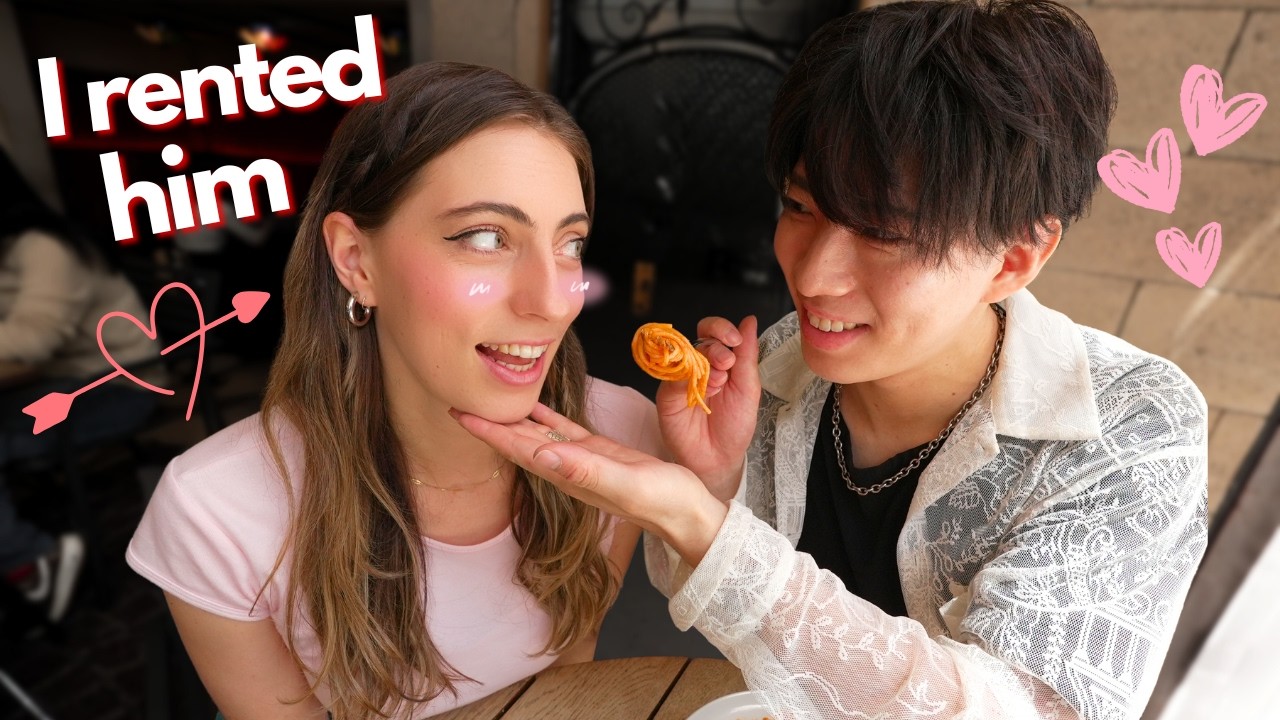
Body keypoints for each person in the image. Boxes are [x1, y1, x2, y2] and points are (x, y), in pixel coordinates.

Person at [452, 2, 1208, 719]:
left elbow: (1008, 709)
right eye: (800, 207)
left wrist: (702, 522)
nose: (812, 276)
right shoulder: (783, 370)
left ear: (1015, 257)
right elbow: (723, 611)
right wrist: (711, 481)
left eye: (883, 234)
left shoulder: (1131, 429)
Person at [126, 62, 664, 719]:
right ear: (357, 260)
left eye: (570, 243)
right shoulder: (218, 510)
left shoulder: (618, 432)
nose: (553, 302)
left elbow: (563, 691)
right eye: (486, 238)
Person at [0, 147, 159, 624]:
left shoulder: (43, 247)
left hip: (118, 383)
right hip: (57, 379)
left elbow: (34, 339)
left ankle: (31, 558)